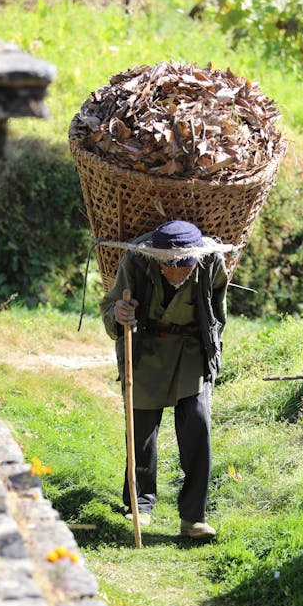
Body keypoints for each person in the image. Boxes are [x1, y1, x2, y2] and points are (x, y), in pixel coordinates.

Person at [100, 220, 229, 538]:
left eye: (187, 266)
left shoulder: (211, 262)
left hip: (190, 350)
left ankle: (193, 518)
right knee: (142, 430)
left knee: (197, 424)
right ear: (161, 261)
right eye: (174, 267)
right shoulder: (137, 261)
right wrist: (119, 313)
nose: (181, 273)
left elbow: (218, 312)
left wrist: (212, 351)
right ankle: (139, 506)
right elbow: (109, 306)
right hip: (146, 347)